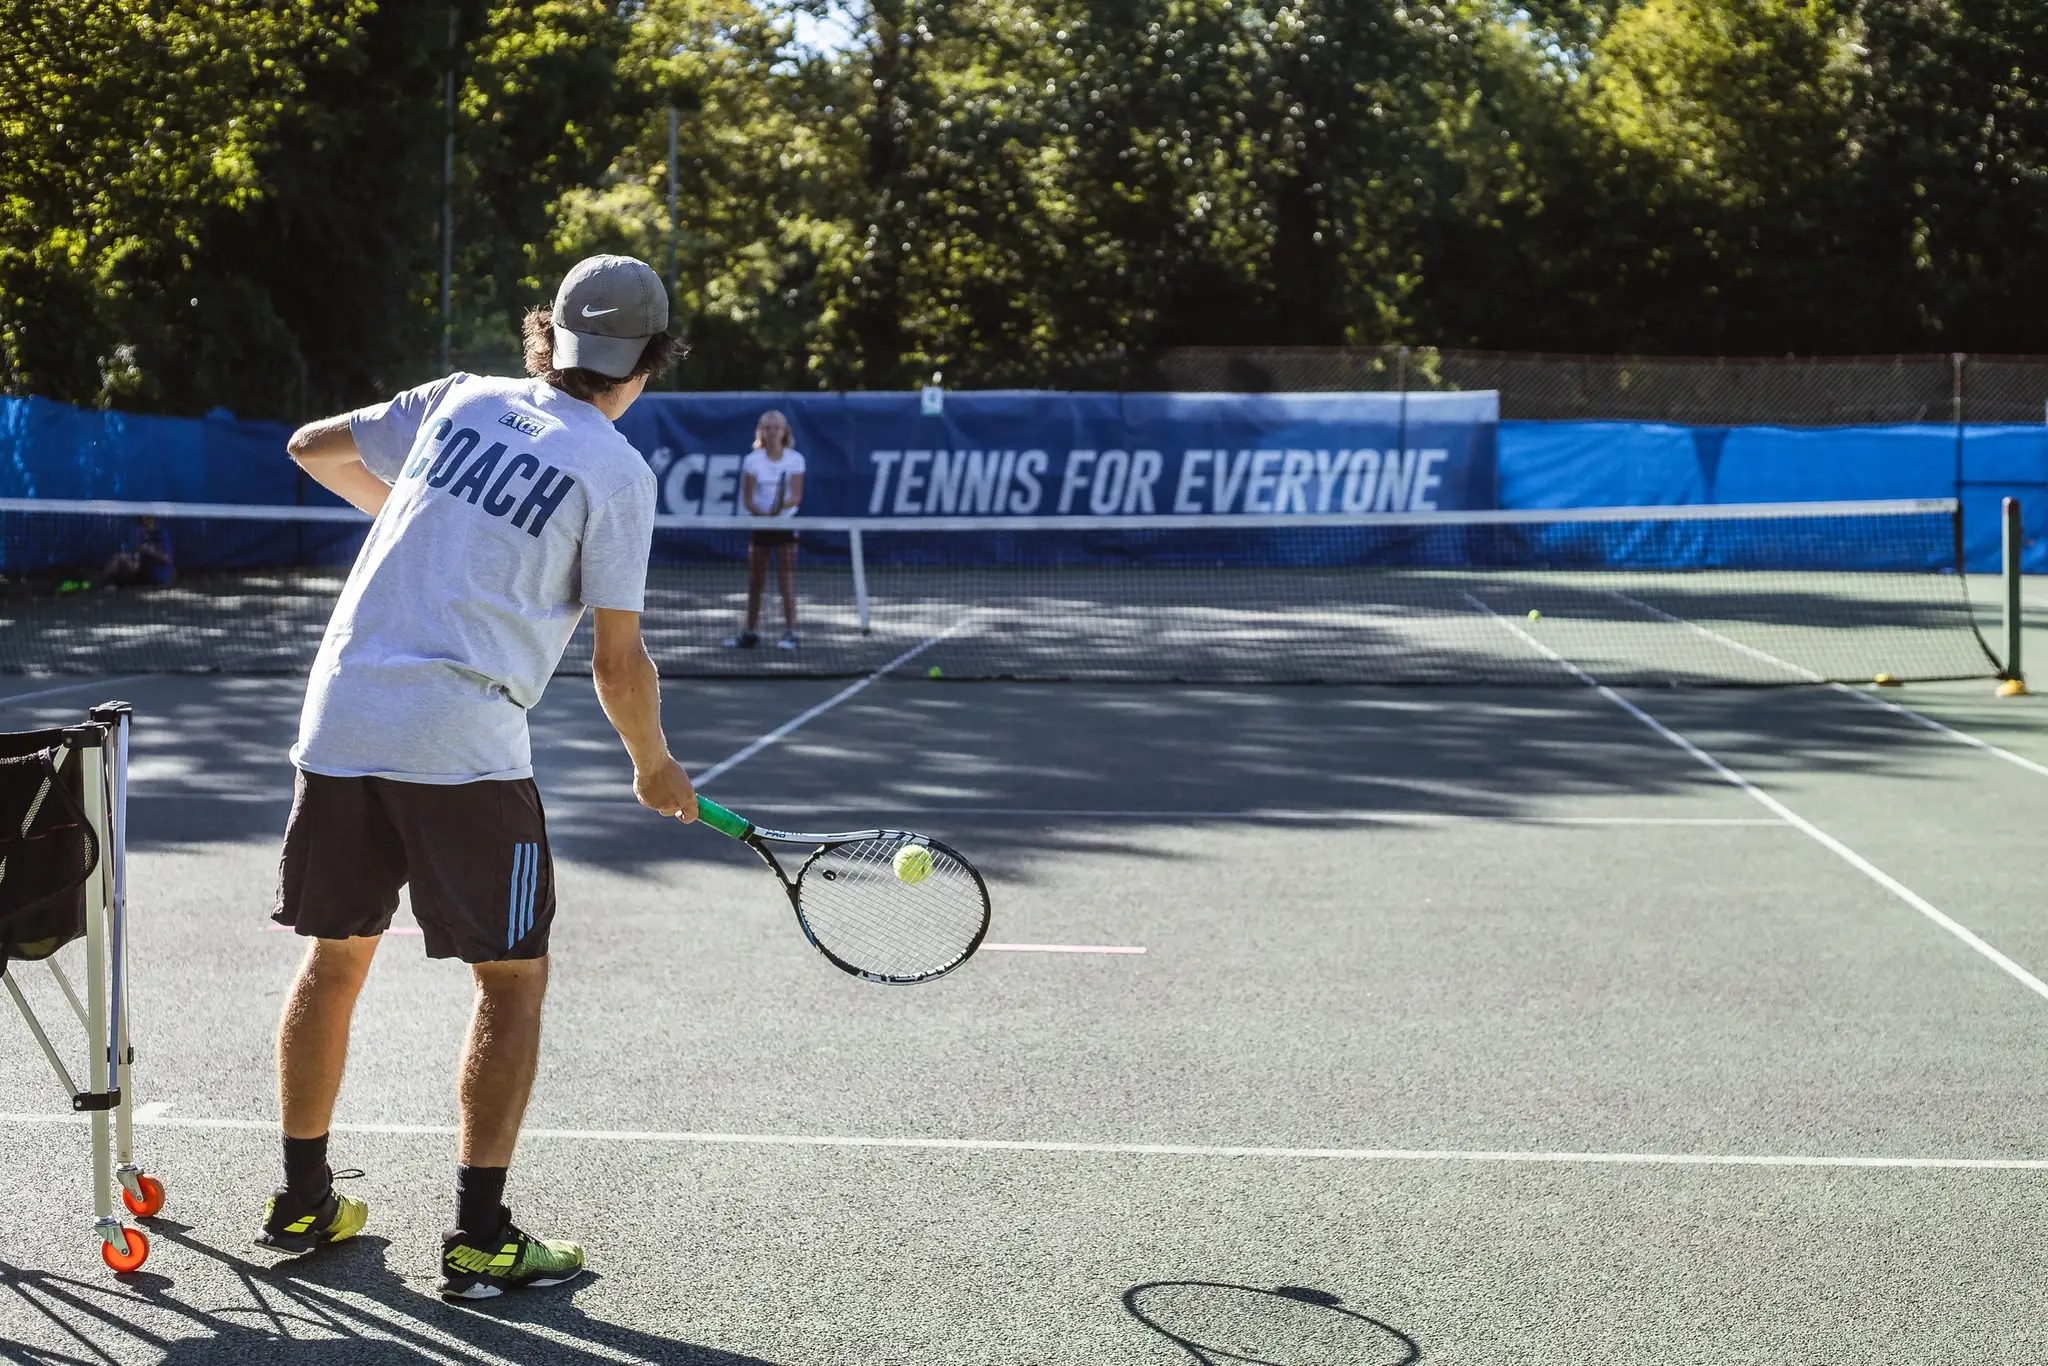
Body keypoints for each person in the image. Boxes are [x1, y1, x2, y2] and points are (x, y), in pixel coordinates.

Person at [261, 254, 699, 1301]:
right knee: (511, 980)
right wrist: (654, 766)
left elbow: (309, 446)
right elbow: (617, 661)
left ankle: (302, 1197)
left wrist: (429, 534)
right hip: (460, 748)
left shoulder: (458, 396)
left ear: (548, 333)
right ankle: (481, 1233)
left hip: (341, 719)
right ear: (647, 360)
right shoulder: (617, 472)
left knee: (334, 962)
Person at [723, 409, 805, 650]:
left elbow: (796, 497)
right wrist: (763, 514)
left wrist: (778, 511)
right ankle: (750, 632)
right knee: (755, 581)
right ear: (761, 432)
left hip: (785, 525)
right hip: (760, 524)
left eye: (776, 427)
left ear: (784, 432)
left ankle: (790, 632)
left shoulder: (795, 459)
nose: (772, 432)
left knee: (786, 579)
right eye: (767, 428)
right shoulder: (752, 460)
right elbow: (748, 499)